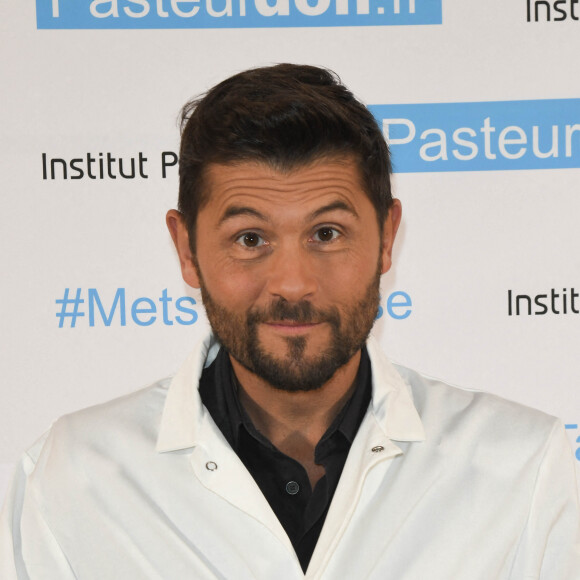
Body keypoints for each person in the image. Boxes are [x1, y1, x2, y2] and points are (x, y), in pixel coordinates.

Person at [1, 64, 579, 579]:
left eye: (326, 234)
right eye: (249, 239)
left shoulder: (522, 468)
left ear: (386, 237)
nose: (292, 283)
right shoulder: (71, 478)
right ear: (187, 249)